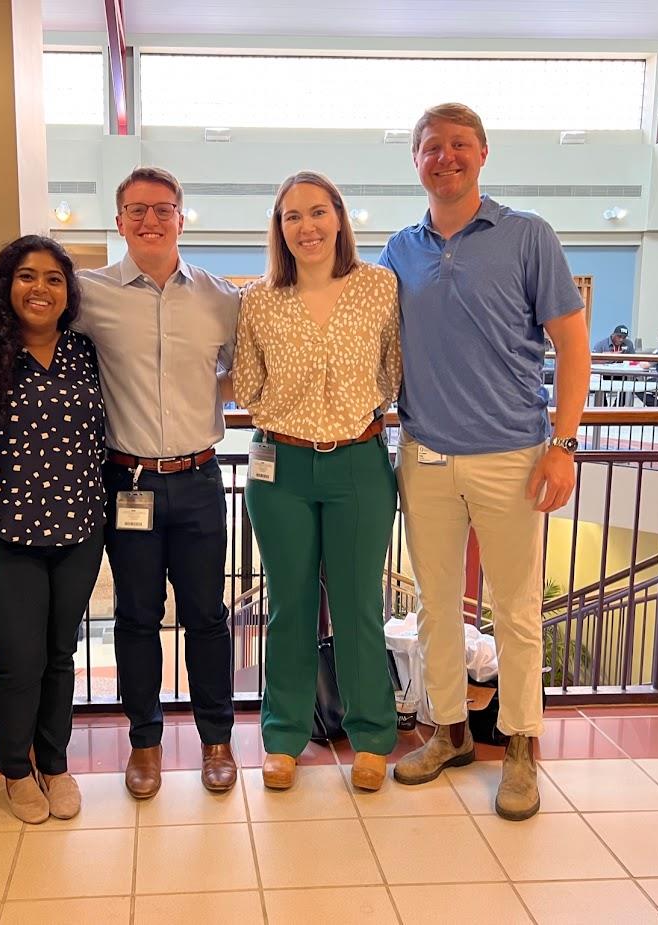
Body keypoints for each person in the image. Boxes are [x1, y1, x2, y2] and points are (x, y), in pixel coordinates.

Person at [379, 103, 590, 821]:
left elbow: (572, 345)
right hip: (425, 454)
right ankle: (448, 731)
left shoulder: (528, 236)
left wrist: (563, 445)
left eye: (459, 145)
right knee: (435, 607)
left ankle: (523, 746)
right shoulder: (398, 250)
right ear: (416, 161)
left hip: (513, 455)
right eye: (432, 147)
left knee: (515, 611)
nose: (446, 157)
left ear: (483, 153)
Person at [233, 171, 401, 793]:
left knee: (359, 606)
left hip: (359, 461)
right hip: (281, 468)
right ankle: (283, 735)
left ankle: (372, 736)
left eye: (318, 212)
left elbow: (393, 372)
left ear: (339, 218)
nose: (306, 227)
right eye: (292, 216)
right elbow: (247, 385)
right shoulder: (258, 300)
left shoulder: (379, 288)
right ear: (279, 228)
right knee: (290, 605)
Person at [76, 167, 240, 799]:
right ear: (119, 222)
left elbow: (239, 371)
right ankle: (144, 744)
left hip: (199, 478)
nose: (150, 220)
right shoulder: (88, 295)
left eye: (163, 209)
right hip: (127, 482)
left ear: (181, 217)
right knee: (137, 618)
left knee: (206, 616)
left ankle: (216, 741)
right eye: (137, 210)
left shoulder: (219, 298)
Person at [0, 235, 106, 824]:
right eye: (26, 276)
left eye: (53, 279)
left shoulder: (83, 352)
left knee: (60, 654)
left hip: (78, 529)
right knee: (19, 657)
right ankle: (16, 771)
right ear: (5, 284)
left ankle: (55, 762)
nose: (40, 288)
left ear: (68, 294)